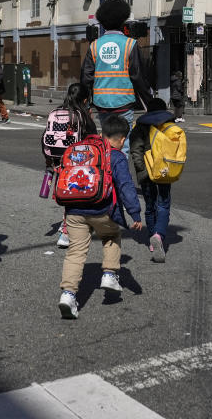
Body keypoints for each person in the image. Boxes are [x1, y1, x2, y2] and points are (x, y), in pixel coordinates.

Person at [57, 115, 144, 319]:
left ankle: (68, 295)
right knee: (112, 235)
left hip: (74, 210)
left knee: (75, 252)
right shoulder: (115, 156)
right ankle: (110, 274)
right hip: (101, 210)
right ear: (123, 139)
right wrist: (134, 213)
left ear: (102, 132)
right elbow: (125, 187)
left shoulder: (82, 149)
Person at [80, 0, 152, 155]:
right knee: (122, 146)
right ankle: (120, 176)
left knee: (106, 143)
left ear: (103, 23)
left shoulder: (94, 45)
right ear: (122, 21)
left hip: (101, 103)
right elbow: (138, 77)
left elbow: (86, 78)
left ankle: (106, 176)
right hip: (123, 102)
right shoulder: (130, 44)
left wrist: (84, 104)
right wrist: (150, 103)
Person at [48, 83, 99, 249]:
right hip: (77, 164)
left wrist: (50, 163)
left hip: (59, 163)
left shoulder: (57, 112)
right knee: (75, 198)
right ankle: (66, 232)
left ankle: (68, 230)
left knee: (68, 196)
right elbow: (93, 139)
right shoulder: (82, 116)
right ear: (85, 99)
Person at [130, 98, 177, 263]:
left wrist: (141, 169)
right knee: (163, 203)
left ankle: (152, 237)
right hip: (165, 170)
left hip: (146, 171)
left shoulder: (140, 126)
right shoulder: (169, 125)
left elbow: (136, 150)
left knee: (150, 206)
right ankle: (159, 234)